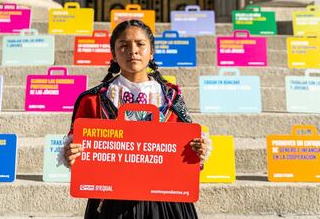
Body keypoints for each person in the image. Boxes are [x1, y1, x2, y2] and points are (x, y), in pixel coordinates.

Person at [62, 19, 211, 219]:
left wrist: (198, 150)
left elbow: (187, 146)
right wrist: (72, 154)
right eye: (123, 45)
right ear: (113, 54)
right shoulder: (92, 100)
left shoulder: (171, 97)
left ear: (152, 52)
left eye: (140, 44)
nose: (133, 50)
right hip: (112, 201)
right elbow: (79, 151)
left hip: (166, 201)